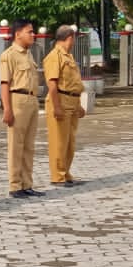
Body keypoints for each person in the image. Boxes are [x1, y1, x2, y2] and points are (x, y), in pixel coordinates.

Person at [0, 19, 44, 199]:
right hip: (17, 99)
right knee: (16, 145)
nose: (33, 35)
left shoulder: (28, 54)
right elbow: (5, 83)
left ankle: (27, 184)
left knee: (29, 146)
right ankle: (15, 185)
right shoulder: (9, 55)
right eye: (29, 32)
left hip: (32, 99)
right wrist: (7, 109)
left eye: (33, 31)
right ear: (18, 34)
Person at [45, 24, 87, 187]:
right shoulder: (55, 56)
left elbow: (73, 83)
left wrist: (78, 105)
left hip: (72, 101)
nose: (74, 42)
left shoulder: (68, 56)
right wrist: (56, 106)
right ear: (69, 38)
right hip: (61, 100)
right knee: (59, 141)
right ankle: (58, 176)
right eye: (74, 38)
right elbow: (52, 84)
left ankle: (66, 173)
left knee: (70, 142)